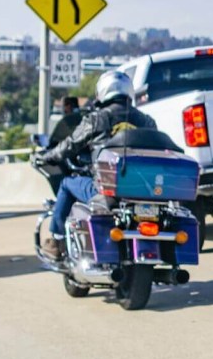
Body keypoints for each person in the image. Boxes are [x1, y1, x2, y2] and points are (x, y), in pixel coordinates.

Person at [37, 71, 156, 259]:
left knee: (67, 183)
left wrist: (46, 157)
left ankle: (57, 240)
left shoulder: (97, 119)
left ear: (103, 91)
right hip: (141, 189)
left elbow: (69, 145)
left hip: (105, 189)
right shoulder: (147, 121)